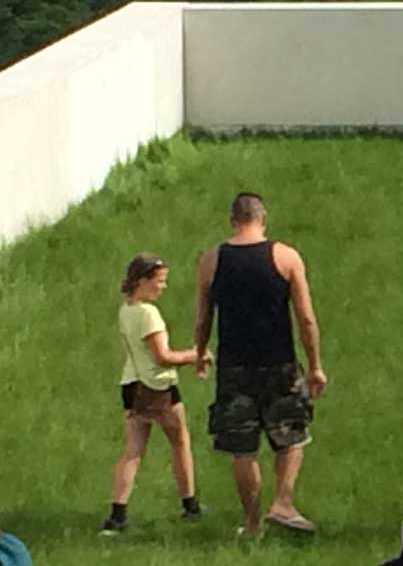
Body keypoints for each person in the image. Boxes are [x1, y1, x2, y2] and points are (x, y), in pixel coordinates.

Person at [194, 191, 327, 538]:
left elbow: (203, 316)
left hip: (233, 366)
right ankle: (282, 502)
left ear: (232, 220)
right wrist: (315, 365)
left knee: (242, 447)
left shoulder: (212, 260)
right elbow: (306, 318)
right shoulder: (285, 257)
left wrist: (199, 351)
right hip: (279, 362)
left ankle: (252, 522)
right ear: (262, 219)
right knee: (291, 435)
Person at [101, 254, 203, 534]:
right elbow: (163, 357)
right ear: (142, 281)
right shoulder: (148, 313)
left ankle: (117, 515)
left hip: (131, 385)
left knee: (132, 450)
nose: (163, 287)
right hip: (157, 387)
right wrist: (195, 355)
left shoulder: (127, 310)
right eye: (159, 281)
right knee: (180, 441)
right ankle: (190, 506)